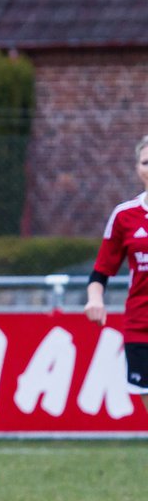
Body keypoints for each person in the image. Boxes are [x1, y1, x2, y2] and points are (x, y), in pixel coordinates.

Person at [85, 134, 148, 406]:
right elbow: (101, 272)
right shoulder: (125, 215)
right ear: (137, 168)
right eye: (146, 161)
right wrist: (95, 299)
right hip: (141, 326)